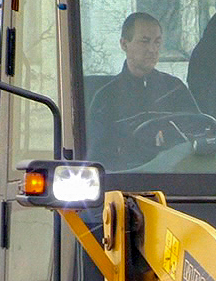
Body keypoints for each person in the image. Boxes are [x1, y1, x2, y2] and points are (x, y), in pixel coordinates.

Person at [85, 12, 202, 171]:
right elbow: (98, 159)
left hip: (176, 181)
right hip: (126, 184)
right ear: (124, 44)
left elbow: (199, 136)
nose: (152, 49)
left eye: (157, 42)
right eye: (145, 41)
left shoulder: (175, 89)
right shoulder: (106, 98)